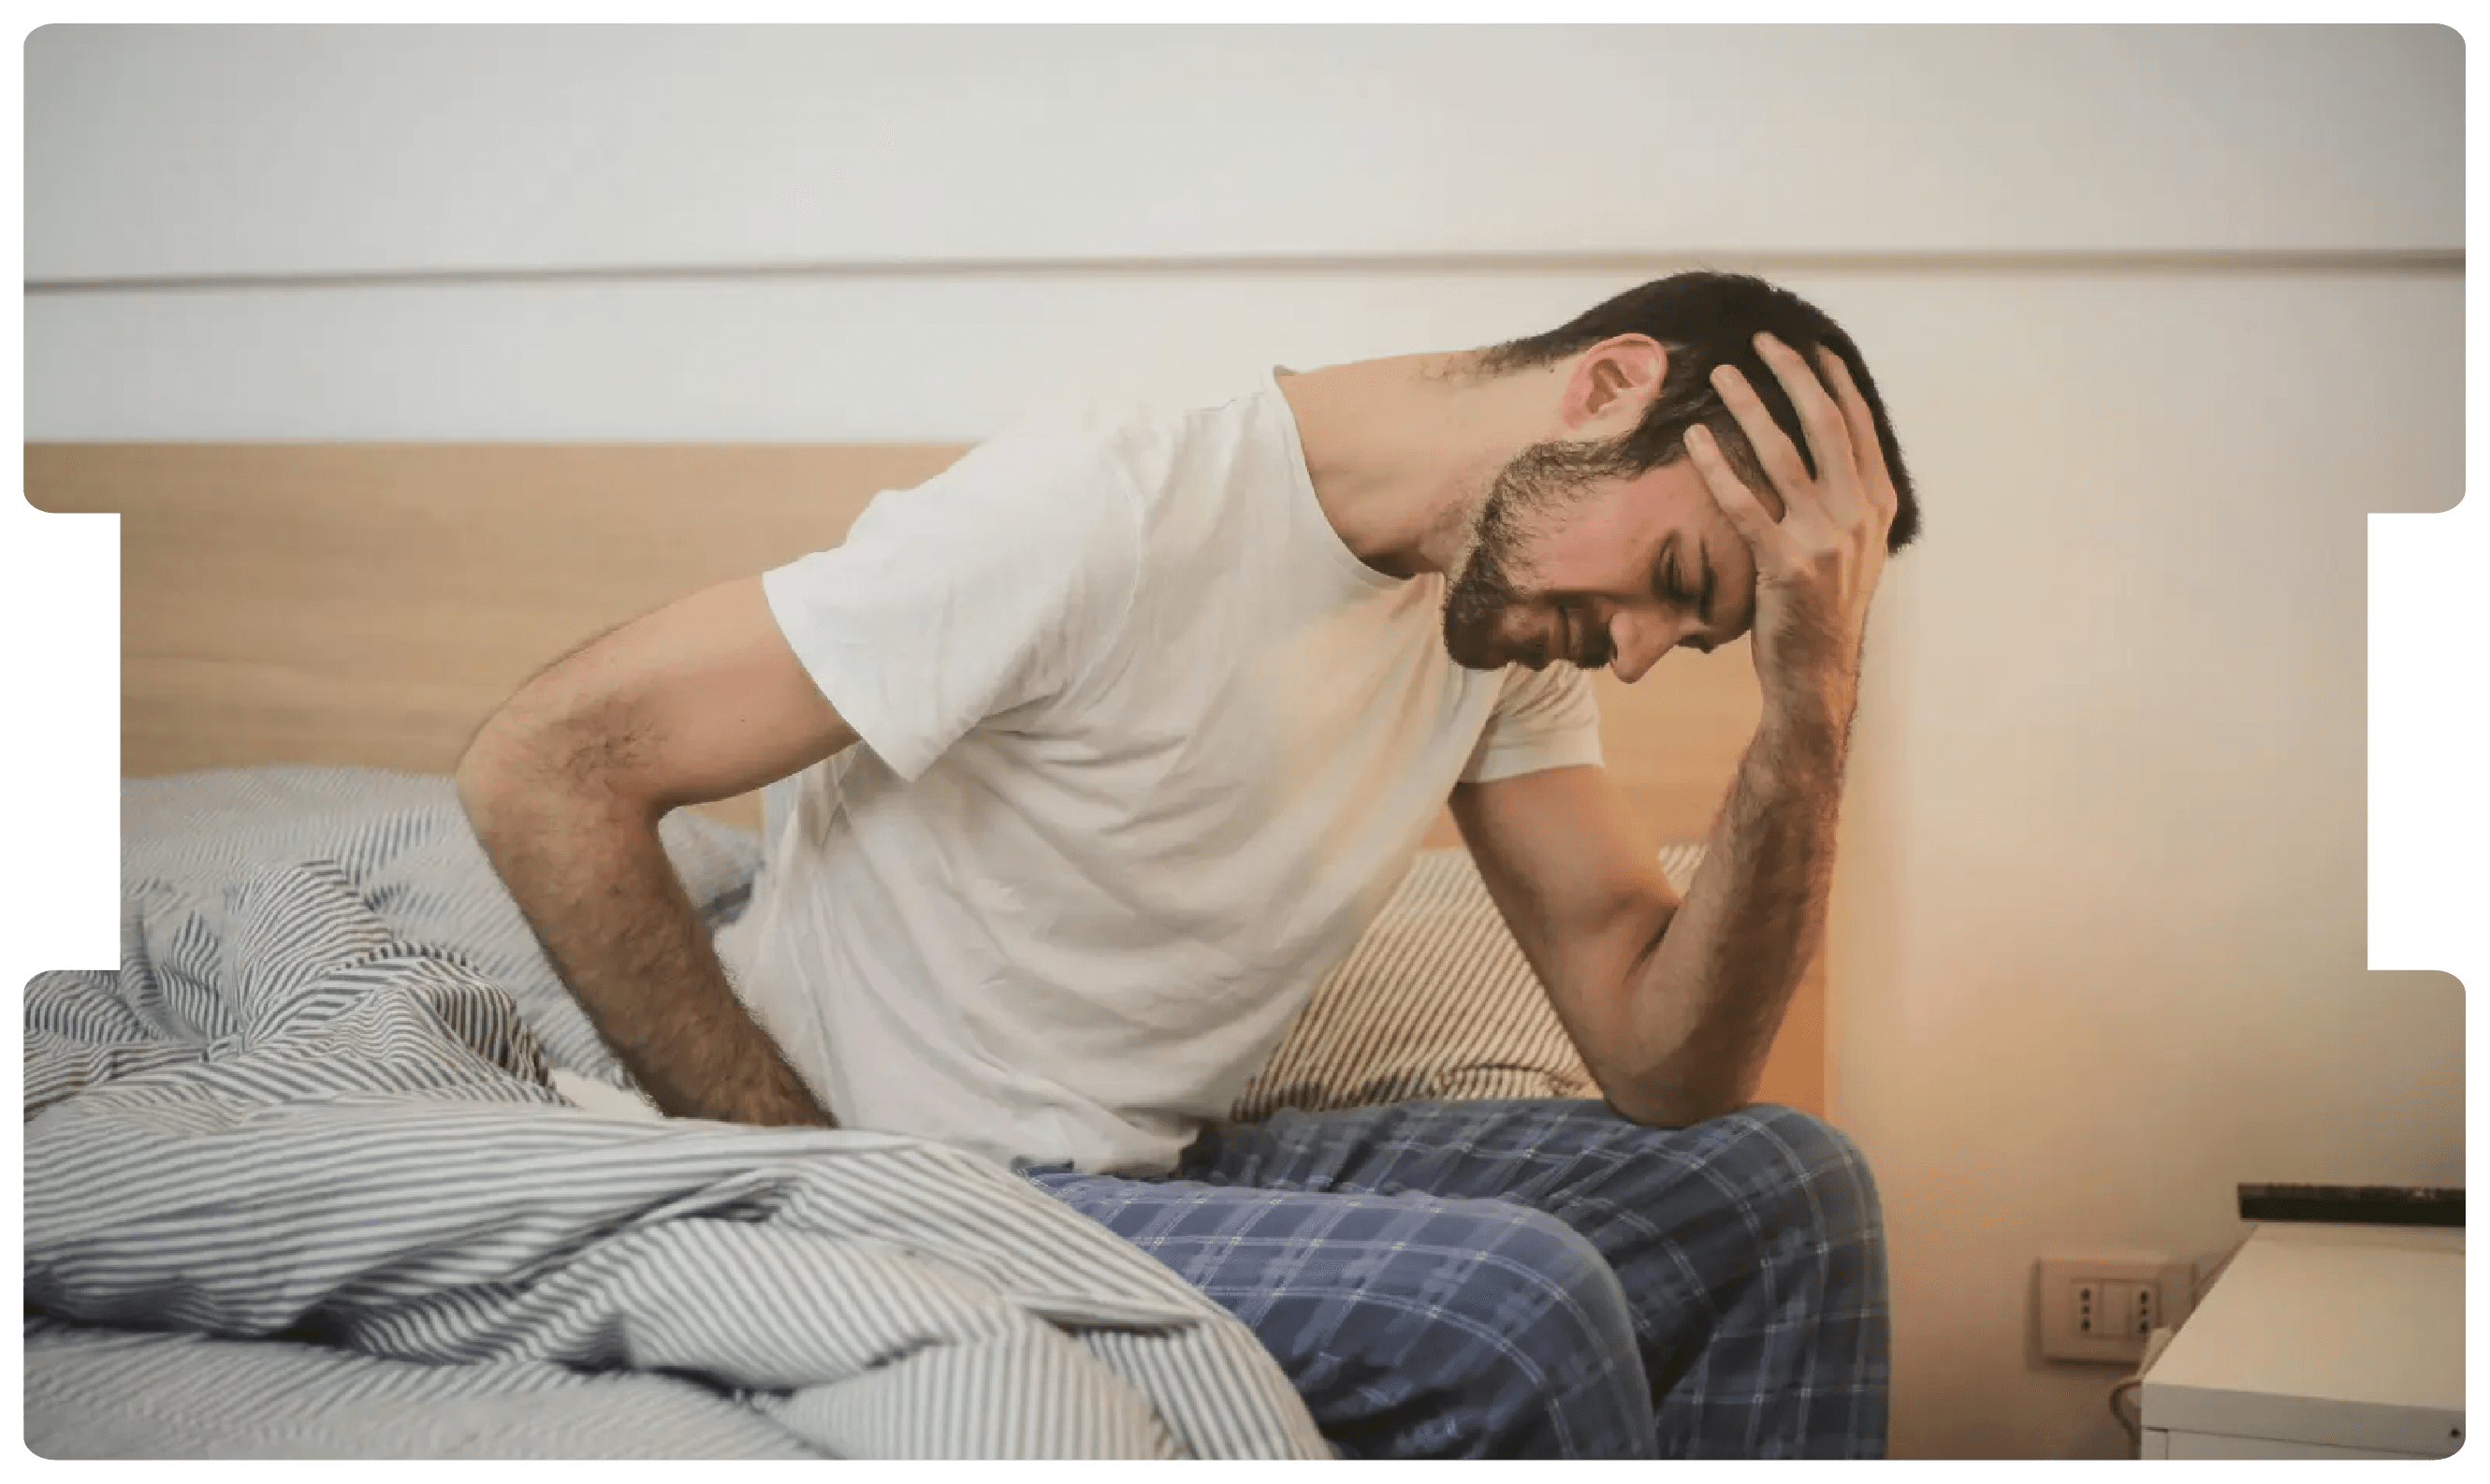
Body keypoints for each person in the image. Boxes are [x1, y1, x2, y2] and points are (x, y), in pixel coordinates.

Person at [458, 270, 1918, 1460]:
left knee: (1782, 1190)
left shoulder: (1502, 625)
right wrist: (817, 1178)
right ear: (1607, 387)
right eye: (1673, 582)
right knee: (1513, 1308)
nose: (1646, 651)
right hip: (929, 1176)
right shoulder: (1107, 506)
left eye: (1702, 636)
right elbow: (548, 763)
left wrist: (1811, 699)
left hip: (1149, 1168)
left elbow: (1666, 1065)